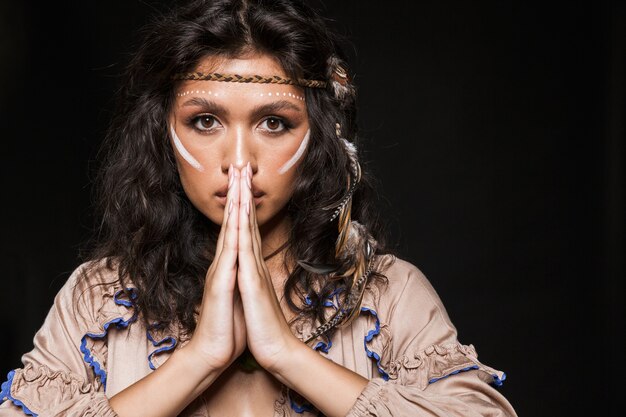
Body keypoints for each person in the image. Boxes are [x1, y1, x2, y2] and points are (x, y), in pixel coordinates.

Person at [0, 0, 518, 416]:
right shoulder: (99, 299)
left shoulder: (386, 292)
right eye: (205, 121)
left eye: (274, 123)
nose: (239, 161)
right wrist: (200, 358)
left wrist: (285, 355)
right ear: (162, 134)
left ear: (319, 140)